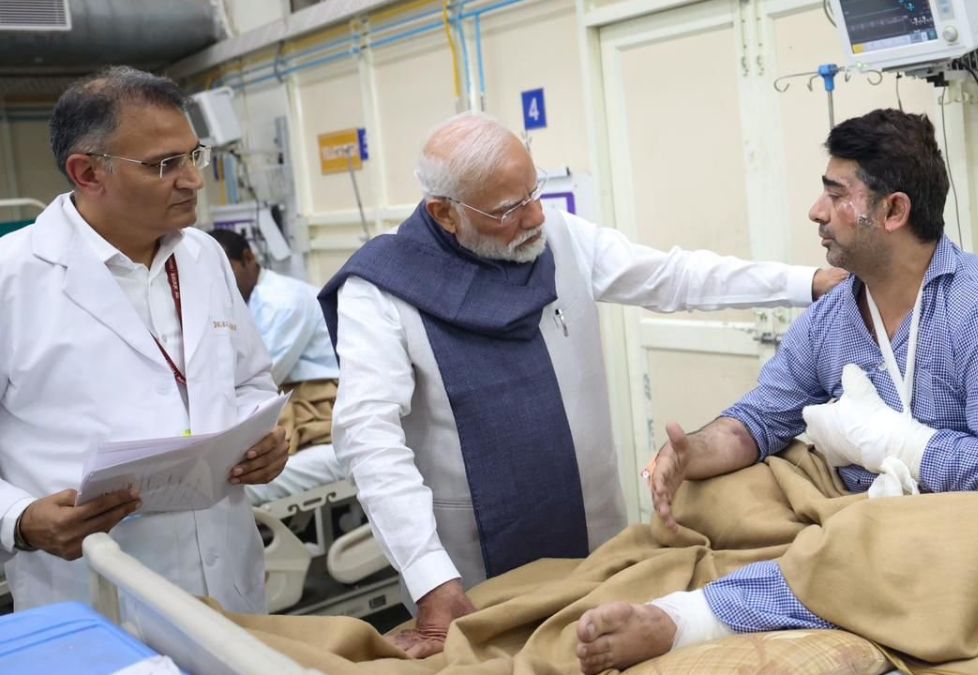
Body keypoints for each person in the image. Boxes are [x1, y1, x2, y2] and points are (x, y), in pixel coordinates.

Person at [318, 111, 848, 657]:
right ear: (445, 214)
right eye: (508, 209)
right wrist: (430, 578)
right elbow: (369, 438)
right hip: (468, 568)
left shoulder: (558, 240)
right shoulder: (381, 290)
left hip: (593, 535)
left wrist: (804, 282)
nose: (533, 217)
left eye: (534, 191)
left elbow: (673, 275)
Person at [574, 108, 978, 673]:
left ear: (893, 210)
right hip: (854, 514)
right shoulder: (830, 317)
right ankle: (815, 569)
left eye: (835, 194)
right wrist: (689, 455)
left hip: (965, 526)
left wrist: (896, 442)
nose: (817, 211)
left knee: (889, 538)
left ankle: (689, 618)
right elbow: (761, 420)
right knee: (717, 494)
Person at [0, 66, 289, 613]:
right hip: (94, 587)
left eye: (192, 156)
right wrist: (20, 519)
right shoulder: (12, 278)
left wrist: (261, 442)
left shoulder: (203, 257)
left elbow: (249, 379)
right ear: (87, 173)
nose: (193, 180)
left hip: (228, 575)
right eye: (164, 165)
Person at [210, 228, 340, 458]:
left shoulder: (282, 302)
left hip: (322, 391)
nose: (218, 283)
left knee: (248, 436)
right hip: (291, 387)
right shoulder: (243, 300)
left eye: (225, 272)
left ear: (248, 259)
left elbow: (265, 377)